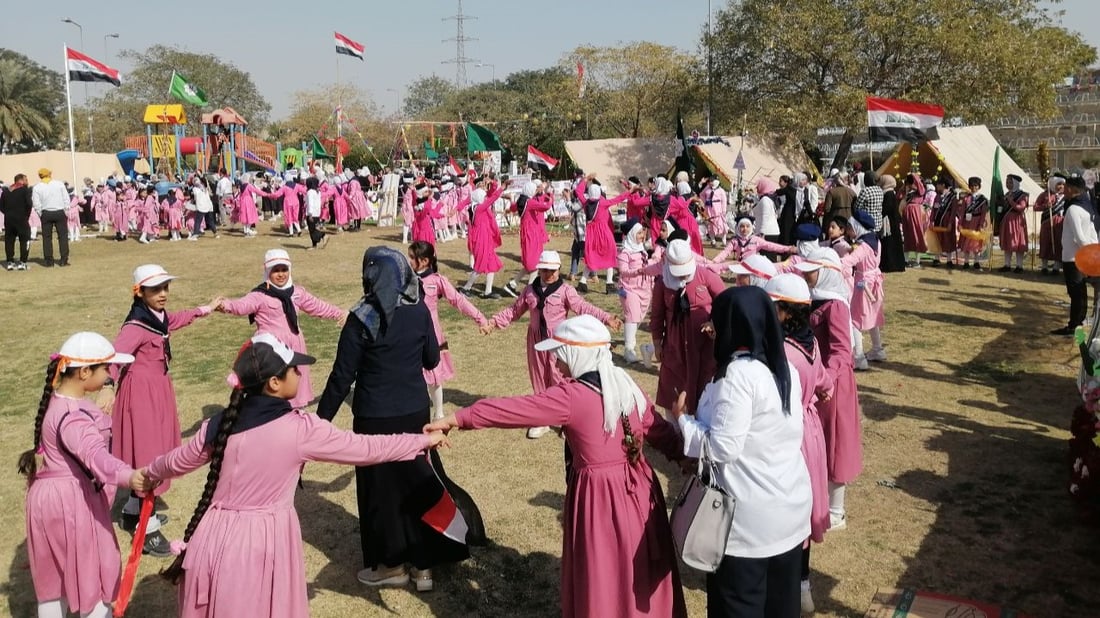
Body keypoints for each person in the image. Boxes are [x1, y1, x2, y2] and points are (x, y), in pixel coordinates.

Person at [147, 334, 448, 617]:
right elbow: (366, 448)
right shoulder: (299, 430)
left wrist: (147, 474)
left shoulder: (220, 423)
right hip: (257, 548)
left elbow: (175, 461)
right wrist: (420, 440)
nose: (300, 374)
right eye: (294, 369)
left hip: (207, 542)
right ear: (275, 383)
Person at [425, 315, 689, 618]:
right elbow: (659, 431)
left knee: (603, 569)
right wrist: (685, 456)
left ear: (577, 355)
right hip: (641, 493)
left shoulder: (572, 396)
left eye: (560, 356)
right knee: (636, 564)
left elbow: (514, 410)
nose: (555, 363)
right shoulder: (627, 385)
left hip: (599, 498)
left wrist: (457, 419)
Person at [317, 246, 470, 590]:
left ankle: (391, 564)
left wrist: (319, 421)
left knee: (381, 493)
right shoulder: (418, 313)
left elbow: (342, 377)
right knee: (416, 484)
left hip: (375, 419)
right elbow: (432, 359)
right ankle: (423, 566)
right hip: (415, 412)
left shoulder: (362, 318)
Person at [672, 286, 810, 618]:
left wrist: (683, 421)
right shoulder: (782, 368)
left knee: (739, 605)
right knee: (780, 606)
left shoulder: (737, 377)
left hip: (748, 521)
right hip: (789, 511)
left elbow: (723, 447)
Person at [20, 332, 152, 618]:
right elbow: (96, 457)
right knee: (97, 574)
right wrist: (130, 477)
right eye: (105, 369)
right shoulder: (74, 418)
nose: (108, 376)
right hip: (72, 503)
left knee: (53, 580)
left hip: (46, 499)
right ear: (83, 372)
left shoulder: (58, 403)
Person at [106, 264, 219, 556]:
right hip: (141, 395)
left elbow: (175, 320)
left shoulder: (156, 317)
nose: (163, 294)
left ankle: (133, 510)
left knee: (154, 448)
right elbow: (116, 355)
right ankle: (149, 528)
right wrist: (108, 384)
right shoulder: (135, 325)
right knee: (148, 454)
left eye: (166, 287)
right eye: (155, 289)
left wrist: (205, 309)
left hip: (157, 390)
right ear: (139, 292)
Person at [486, 250, 622, 438]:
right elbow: (514, 311)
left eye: (553, 270)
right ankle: (543, 420)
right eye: (545, 270)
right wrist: (494, 322)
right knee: (539, 378)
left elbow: (583, 308)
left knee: (559, 378)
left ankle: (567, 421)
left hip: (558, 342)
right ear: (539, 270)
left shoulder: (566, 290)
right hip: (536, 339)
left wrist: (607, 317)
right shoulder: (529, 291)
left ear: (558, 270)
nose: (549, 275)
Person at [764, 274, 832, 614]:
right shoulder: (811, 343)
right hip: (810, 430)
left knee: (787, 509)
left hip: (787, 432)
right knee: (804, 507)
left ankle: (788, 585)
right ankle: (803, 584)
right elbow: (824, 383)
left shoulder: (781, 351)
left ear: (785, 313)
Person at [215, 249, 345, 408]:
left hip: (295, 346)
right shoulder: (260, 295)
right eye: (276, 270)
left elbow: (318, 306)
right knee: (272, 387)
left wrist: (341, 314)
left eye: (284, 269)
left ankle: (293, 415)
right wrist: (225, 305)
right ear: (267, 271)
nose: (281, 274)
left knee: (294, 383)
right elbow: (242, 306)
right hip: (271, 349)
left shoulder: (297, 293)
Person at [795, 250, 862, 531]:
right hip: (820, 383)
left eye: (810, 269)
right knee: (819, 440)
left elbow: (841, 351)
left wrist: (827, 381)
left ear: (824, 272)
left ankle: (837, 510)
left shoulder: (835, 306)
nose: (804, 273)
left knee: (836, 442)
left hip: (834, 386)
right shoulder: (817, 299)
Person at [408, 241, 490, 420]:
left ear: (424, 261)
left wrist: (480, 318)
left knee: (434, 374)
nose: (410, 261)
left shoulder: (437, 281)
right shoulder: (405, 279)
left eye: (413, 258)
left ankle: (438, 413)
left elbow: (459, 301)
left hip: (431, 333)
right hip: (409, 332)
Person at [650, 238, 727, 417]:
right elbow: (657, 316)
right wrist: (657, 343)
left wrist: (714, 322)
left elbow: (725, 301)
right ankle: (677, 432)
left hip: (704, 345)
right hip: (675, 346)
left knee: (704, 383)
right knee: (674, 386)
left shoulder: (704, 275)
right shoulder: (662, 284)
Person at [1052, 177, 1099, 336]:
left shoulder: (1072, 209)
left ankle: (1073, 326)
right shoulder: (1087, 207)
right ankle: (1078, 322)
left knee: (1076, 294)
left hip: (1073, 257)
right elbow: (1092, 232)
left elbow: (1079, 237)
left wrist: (1089, 253)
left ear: (1071, 189)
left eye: (1066, 188)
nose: (1063, 190)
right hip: (1083, 256)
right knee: (1081, 293)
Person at [843, 211, 887, 365]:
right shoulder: (875, 239)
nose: (848, 232)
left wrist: (832, 263)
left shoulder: (863, 246)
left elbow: (850, 261)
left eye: (850, 228)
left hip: (863, 283)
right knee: (873, 315)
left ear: (857, 227)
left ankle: (859, 357)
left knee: (855, 318)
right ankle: (877, 349)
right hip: (874, 280)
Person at [576, 175, 630, 295]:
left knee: (592, 257)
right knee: (610, 255)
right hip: (604, 232)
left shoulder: (586, 203)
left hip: (591, 233)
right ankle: (609, 284)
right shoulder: (603, 203)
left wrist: (585, 180)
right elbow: (618, 199)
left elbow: (578, 191)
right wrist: (629, 192)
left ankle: (582, 282)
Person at [617, 220, 659, 363]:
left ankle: (631, 342)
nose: (642, 235)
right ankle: (629, 350)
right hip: (629, 289)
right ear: (631, 234)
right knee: (632, 316)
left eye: (643, 232)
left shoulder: (642, 249)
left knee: (639, 317)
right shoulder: (625, 253)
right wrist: (638, 271)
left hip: (645, 289)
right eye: (639, 233)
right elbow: (623, 271)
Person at [459, 181, 507, 299]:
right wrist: (502, 188)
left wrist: (494, 185)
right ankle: (466, 288)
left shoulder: (477, 207)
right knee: (480, 266)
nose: (485, 198)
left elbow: (490, 196)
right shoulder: (479, 208)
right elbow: (492, 198)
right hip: (481, 240)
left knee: (490, 264)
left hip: (485, 239)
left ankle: (488, 291)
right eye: (483, 196)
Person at [507, 180, 554, 296]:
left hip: (527, 233)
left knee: (531, 263)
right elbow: (545, 207)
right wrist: (550, 197)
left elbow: (512, 207)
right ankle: (530, 292)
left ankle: (512, 284)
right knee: (534, 265)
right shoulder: (530, 202)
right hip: (531, 234)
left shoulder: (521, 201)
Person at [711, 215, 796, 265]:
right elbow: (725, 252)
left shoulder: (756, 240)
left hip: (753, 267)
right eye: (742, 226)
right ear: (737, 228)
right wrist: (715, 261)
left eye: (747, 226)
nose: (745, 229)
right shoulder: (735, 241)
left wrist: (788, 248)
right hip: (740, 268)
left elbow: (771, 246)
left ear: (751, 228)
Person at [31, 168, 71, 267]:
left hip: (46, 213)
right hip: (59, 212)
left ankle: (49, 261)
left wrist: (41, 213)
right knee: (63, 236)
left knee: (47, 238)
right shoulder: (59, 184)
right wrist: (65, 210)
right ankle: (63, 259)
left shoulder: (37, 187)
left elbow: (36, 203)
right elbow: (66, 198)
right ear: (49, 174)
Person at [998, 174, 1031, 274]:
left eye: (1010, 182)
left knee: (1018, 242)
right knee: (1007, 242)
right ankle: (1007, 264)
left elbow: (1021, 207)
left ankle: (1019, 265)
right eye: (1007, 182)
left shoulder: (1023, 195)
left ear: (1016, 183)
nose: (1008, 184)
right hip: (1007, 220)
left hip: (1017, 220)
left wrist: (1010, 200)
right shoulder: (1007, 194)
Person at [1, 173, 33, 270]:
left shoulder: (6, 191)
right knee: (25, 239)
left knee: (9, 241)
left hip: (9, 219)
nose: (27, 182)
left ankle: (10, 262)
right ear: (21, 180)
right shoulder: (24, 190)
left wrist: (8, 213)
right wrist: (26, 215)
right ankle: (22, 262)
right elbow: (29, 204)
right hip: (21, 218)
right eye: (26, 180)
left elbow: (1, 205)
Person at [1035, 176, 1066, 275]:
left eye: (1062, 184)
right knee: (1045, 242)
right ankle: (1044, 266)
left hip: (1060, 222)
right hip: (1047, 222)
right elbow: (1035, 207)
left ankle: (1056, 267)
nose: (1061, 187)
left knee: (1058, 242)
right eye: (1058, 184)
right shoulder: (1045, 194)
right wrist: (1045, 206)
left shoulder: (1066, 196)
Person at [958, 177, 990, 270]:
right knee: (966, 241)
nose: (973, 187)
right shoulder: (966, 198)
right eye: (971, 185)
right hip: (967, 221)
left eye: (975, 185)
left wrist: (980, 224)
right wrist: (960, 223)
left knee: (976, 242)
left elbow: (983, 213)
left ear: (979, 186)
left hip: (977, 221)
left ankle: (976, 262)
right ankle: (966, 262)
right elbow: (962, 212)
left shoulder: (982, 199)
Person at [929, 177, 959, 267]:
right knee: (937, 240)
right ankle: (936, 258)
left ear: (943, 185)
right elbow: (933, 209)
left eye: (938, 184)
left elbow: (953, 211)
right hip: (938, 221)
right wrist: (931, 220)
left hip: (947, 221)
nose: (937, 186)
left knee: (948, 240)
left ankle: (949, 260)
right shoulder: (937, 196)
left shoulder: (952, 198)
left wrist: (950, 223)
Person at [900, 173, 927, 268]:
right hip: (906, 212)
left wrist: (914, 176)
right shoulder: (907, 192)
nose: (910, 185)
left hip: (916, 212)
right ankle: (905, 260)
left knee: (917, 235)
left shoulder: (920, 191)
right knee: (907, 235)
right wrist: (904, 188)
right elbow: (898, 196)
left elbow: (920, 187)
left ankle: (917, 261)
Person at [752, 177, 782, 243]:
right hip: (770, 232)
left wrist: (762, 234)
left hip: (767, 233)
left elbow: (765, 217)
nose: (757, 189)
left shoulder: (765, 200)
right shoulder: (770, 199)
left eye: (758, 186)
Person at [188, 176, 218, 241]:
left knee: (198, 221)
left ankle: (195, 234)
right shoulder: (205, 187)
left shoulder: (195, 189)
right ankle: (215, 233)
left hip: (201, 206)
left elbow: (195, 197)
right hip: (209, 205)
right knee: (210, 220)